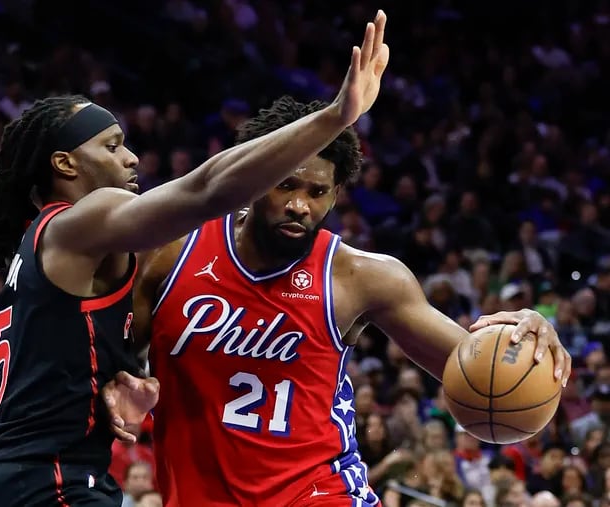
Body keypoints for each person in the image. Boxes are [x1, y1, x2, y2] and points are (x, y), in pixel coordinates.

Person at [0, 11, 388, 506]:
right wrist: (335, 118)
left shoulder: (40, 250)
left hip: (10, 479)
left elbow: (66, 360)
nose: (131, 158)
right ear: (65, 164)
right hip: (56, 483)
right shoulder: (85, 218)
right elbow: (207, 190)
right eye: (112, 146)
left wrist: (126, 380)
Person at [132, 14, 572, 507]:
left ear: (337, 194)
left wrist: (526, 337)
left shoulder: (361, 276)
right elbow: (111, 365)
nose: (301, 204)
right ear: (252, 178)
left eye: (318, 191)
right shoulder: (172, 254)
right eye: (286, 184)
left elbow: (476, 368)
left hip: (323, 495)